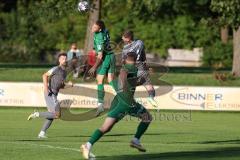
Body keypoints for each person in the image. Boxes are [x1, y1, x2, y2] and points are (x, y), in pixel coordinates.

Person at [81, 52, 152, 159]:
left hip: (118, 102)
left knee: (106, 128)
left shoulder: (128, 68)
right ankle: (135, 140)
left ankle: (88, 145)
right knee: (147, 117)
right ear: (135, 59)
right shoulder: (129, 68)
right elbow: (124, 75)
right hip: (128, 103)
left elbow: (132, 81)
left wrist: (142, 78)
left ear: (125, 59)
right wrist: (124, 84)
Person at [27, 53, 72, 138]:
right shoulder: (56, 69)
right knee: (57, 115)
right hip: (50, 93)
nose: (64, 60)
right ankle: (37, 114)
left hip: (54, 93)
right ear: (59, 60)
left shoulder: (64, 72)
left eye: (66, 58)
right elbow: (44, 75)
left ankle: (42, 133)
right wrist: (46, 87)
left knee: (51, 114)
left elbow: (61, 86)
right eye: (62, 58)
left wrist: (70, 85)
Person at [122, 30, 158, 108]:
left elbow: (123, 61)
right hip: (141, 66)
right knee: (148, 84)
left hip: (131, 68)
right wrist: (146, 65)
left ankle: (129, 101)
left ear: (128, 38)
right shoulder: (140, 42)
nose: (122, 38)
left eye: (123, 37)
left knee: (130, 85)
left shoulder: (125, 48)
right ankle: (151, 97)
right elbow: (143, 55)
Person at [88, 20, 116, 116]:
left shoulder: (99, 36)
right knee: (111, 80)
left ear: (99, 29)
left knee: (100, 79)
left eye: (95, 27)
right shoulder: (103, 31)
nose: (92, 28)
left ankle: (100, 105)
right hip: (110, 56)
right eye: (93, 26)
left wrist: (94, 67)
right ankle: (125, 97)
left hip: (107, 57)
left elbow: (100, 55)